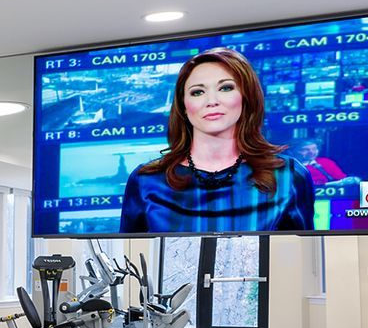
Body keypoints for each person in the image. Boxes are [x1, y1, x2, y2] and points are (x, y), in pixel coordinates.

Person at [118, 47, 315, 233]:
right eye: (197, 92)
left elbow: (304, 255)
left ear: (246, 97)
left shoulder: (288, 176)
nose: (212, 101)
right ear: (184, 106)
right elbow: (128, 256)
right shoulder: (146, 180)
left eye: (225, 88)